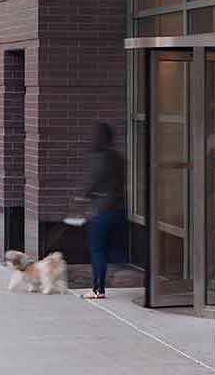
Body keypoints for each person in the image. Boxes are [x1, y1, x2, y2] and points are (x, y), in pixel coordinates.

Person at [82, 122, 126, 300]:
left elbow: (92, 183)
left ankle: (97, 289)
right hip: (118, 209)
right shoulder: (119, 158)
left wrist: (83, 196)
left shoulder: (99, 158)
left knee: (97, 250)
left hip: (101, 211)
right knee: (111, 249)